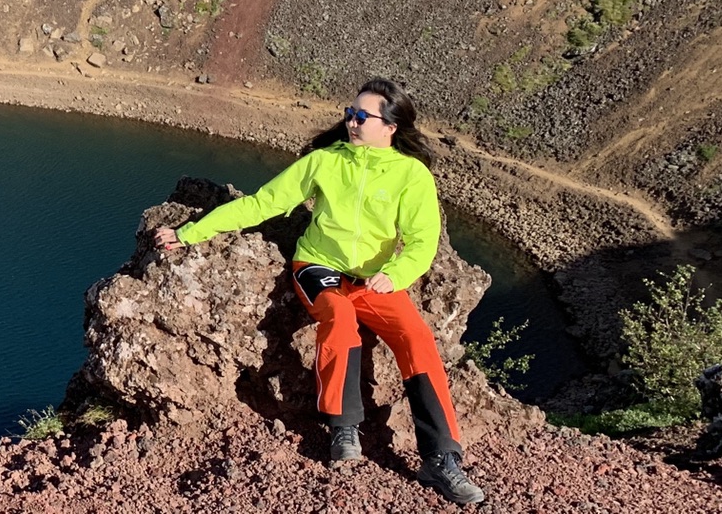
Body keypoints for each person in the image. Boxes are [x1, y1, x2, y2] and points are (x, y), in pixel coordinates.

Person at [154, 76, 485, 506]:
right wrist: (191, 232)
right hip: (317, 266)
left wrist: (396, 275)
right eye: (350, 113)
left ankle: (441, 459)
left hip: (375, 279)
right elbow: (262, 202)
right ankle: (343, 426)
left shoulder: (411, 175)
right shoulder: (325, 161)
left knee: (417, 339)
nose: (351, 121)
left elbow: (423, 242)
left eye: (362, 116)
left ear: (390, 127)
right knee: (339, 317)